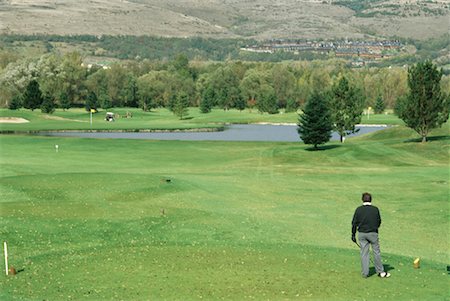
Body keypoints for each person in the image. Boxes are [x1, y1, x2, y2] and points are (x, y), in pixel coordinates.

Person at [351, 192, 390, 278]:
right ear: (371, 199)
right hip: (373, 233)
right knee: (376, 252)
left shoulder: (359, 209)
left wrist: (353, 234)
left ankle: (365, 273)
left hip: (362, 234)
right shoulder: (375, 209)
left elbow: (354, 223)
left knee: (364, 253)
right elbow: (379, 221)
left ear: (362, 199)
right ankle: (380, 271)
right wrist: (375, 227)